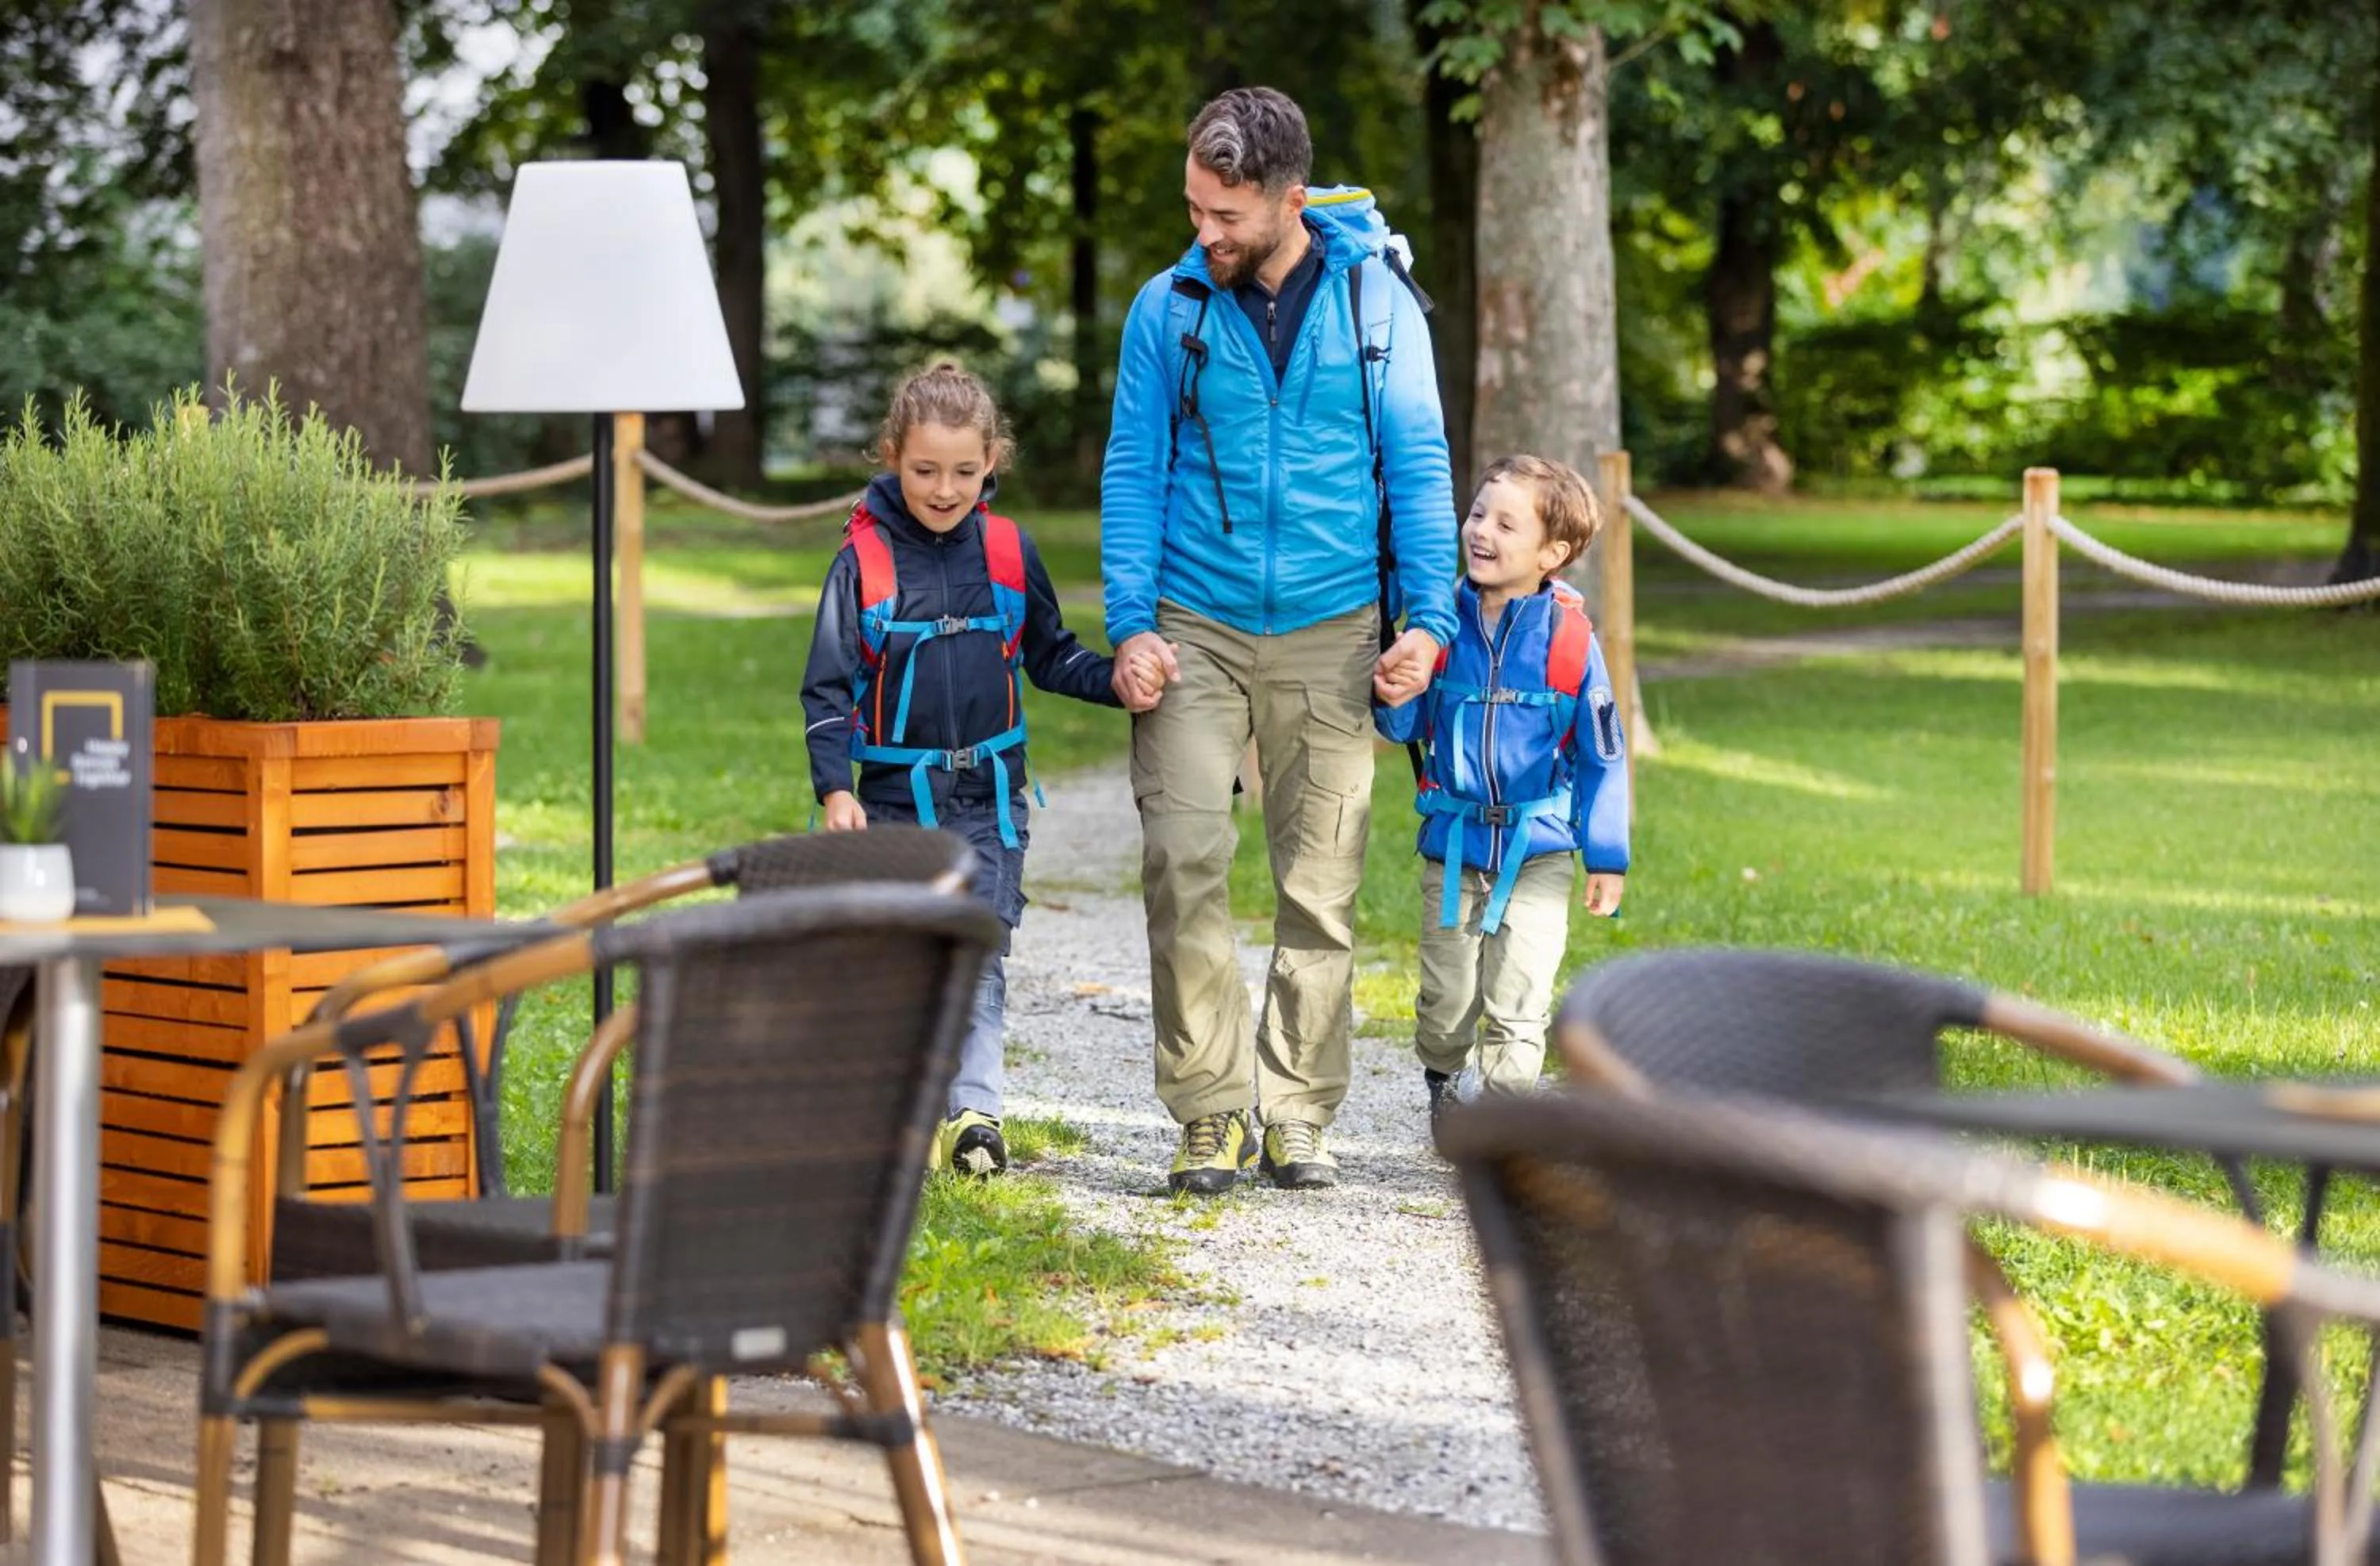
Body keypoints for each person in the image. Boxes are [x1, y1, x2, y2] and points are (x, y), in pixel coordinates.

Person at [1102, 86, 1458, 1195]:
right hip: (1194, 625)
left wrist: (1430, 621)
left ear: (1291, 200)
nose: (1204, 232)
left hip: (1335, 624)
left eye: (1227, 215)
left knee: (1320, 881)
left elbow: (1420, 464)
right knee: (1182, 860)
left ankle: (1297, 1112)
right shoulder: (1168, 308)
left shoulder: (1378, 305)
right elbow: (1134, 469)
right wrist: (1132, 624)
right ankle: (1209, 1112)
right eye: (1194, 209)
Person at [803, 361, 1160, 1175]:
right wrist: (834, 787)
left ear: (992, 459)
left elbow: (1050, 653)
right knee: (904, 954)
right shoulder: (862, 561)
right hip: (894, 801)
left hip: (988, 800)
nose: (944, 489)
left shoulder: (1006, 551)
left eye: (965, 471)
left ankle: (974, 1115)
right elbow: (826, 687)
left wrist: (1113, 680)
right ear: (892, 456)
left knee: (978, 949)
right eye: (925, 470)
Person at [1377, 455, 1630, 1129]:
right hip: (1454, 846)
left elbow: (1604, 754)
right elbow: (1406, 725)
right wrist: (1393, 692)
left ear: (1553, 553)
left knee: (1520, 999)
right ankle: (1442, 1077)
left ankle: (1501, 1127)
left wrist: (1606, 855)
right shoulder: (1438, 623)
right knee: (1446, 1003)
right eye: (1478, 514)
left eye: (1506, 524)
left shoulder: (1570, 640)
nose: (1481, 531)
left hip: (1538, 849)